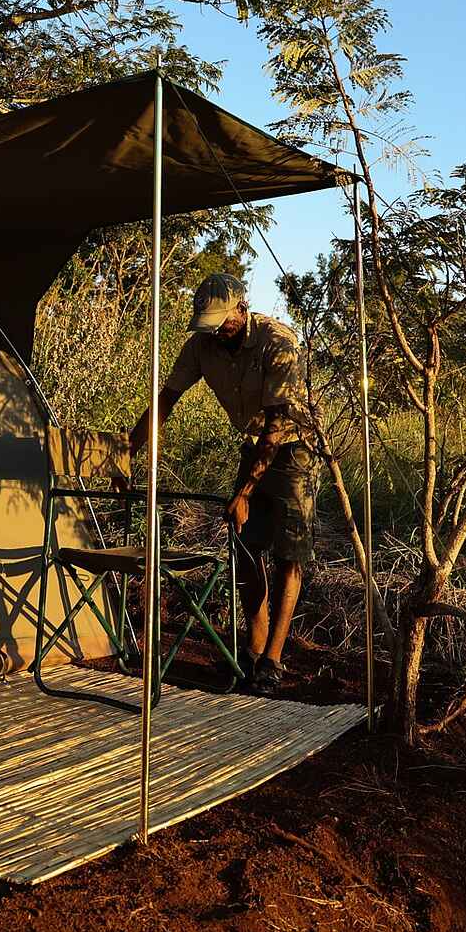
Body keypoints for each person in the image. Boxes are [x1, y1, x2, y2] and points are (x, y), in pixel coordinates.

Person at [126, 272, 316, 692]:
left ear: (240, 308)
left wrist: (245, 492)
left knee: (288, 554)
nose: (216, 329)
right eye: (208, 322)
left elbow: (278, 423)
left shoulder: (276, 342)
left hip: (293, 449)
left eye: (221, 320)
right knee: (246, 549)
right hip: (253, 446)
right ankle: (251, 648)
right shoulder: (201, 345)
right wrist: (129, 453)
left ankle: (273, 660)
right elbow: (166, 399)